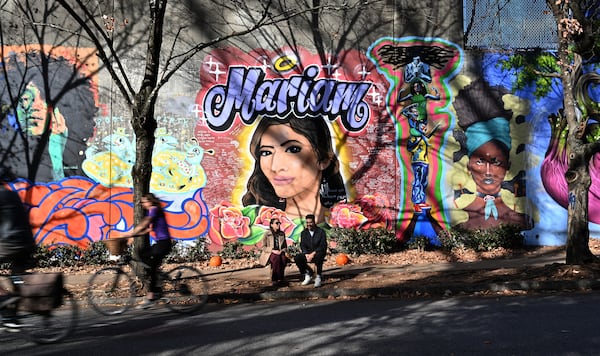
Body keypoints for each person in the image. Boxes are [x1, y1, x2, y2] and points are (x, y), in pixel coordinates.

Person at [242, 114, 346, 223]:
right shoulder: (254, 226)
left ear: (323, 159)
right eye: (266, 152)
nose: (275, 167)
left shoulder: (343, 226)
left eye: (293, 149)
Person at [459, 117, 533, 229]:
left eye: (496, 162)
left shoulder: (521, 220)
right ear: (468, 166)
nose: (488, 172)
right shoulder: (459, 219)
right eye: (480, 162)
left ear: (508, 165)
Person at [120, 193, 172, 308]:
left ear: (150, 201)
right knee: (144, 257)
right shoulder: (153, 211)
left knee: (150, 265)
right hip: (161, 243)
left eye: (144, 202)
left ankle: (151, 296)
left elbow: (146, 222)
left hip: (163, 244)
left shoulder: (154, 209)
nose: (143, 204)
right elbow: (149, 229)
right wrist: (134, 236)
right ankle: (158, 286)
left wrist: (132, 232)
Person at [0, 181, 37, 328]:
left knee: (15, 278)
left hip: (10, 243)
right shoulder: (12, 194)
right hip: (27, 243)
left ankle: (4, 298)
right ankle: (11, 318)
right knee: (16, 277)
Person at [294, 214, 327, 288]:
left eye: (310, 222)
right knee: (297, 258)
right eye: (307, 222)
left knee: (319, 257)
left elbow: (323, 245)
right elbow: (302, 245)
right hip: (308, 253)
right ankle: (307, 274)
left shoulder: (321, 232)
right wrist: (306, 254)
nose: (309, 224)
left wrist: (313, 253)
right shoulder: (304, 233)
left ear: (314, 222)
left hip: (318, 252)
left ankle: (318, 277)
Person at [258, 218, 288, 286]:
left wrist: (282, 251)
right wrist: (272, 250)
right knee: (276, 258)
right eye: (276, 223)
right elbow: (263, 247)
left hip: (280, 252)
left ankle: (281, 278)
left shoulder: (282, 234)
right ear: (271, 225)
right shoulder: (267, 234)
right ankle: (275, 279)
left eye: (279, 223)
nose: (278, 224)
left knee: (283, 259)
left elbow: (285, 246)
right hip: (270, 253)